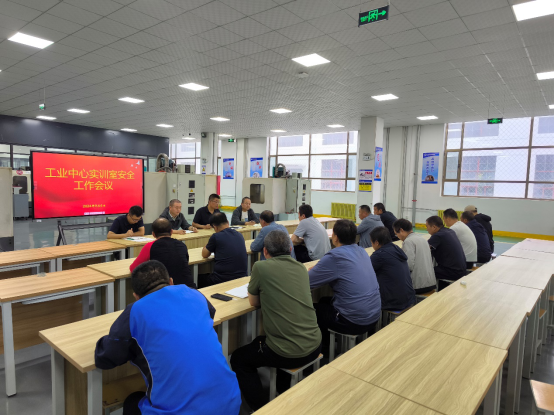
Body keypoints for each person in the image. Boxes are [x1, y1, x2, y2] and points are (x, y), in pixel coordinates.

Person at [95, 261, 241, 416]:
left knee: (132, 401)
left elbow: (105, 357)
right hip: (231, 402)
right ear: (171, 282)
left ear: (136, 296)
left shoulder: (136, 311)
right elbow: (210, 314)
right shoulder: (194, 293)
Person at [231, 231, 322, 412]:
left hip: (287, 353)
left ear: (265, 251)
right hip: (315, 344)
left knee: (239, 358)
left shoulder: (260, 267)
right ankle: (282, 387)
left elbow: (253, 302)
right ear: (290, 249)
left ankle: (260, 408)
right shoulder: (300, 268)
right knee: (273, 338)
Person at [309, 220, 381, 352]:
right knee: (324, 301)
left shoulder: (334, 256)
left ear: (335, 237)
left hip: (353, 321)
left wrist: (316, 270)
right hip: (374, 315)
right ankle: (329, 342)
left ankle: (324, 349)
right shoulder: (362, 251)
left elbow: (307, 281)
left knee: (312, 310)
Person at [130, 218, 195, 288]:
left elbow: (133, 268)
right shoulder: (182, 245)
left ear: (153, 234)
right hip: (189, 288)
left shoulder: (150, 246)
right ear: (171, 232)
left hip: (165, 290)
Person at [369, 227, 415, 311]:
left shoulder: (379, 255)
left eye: (371, 242)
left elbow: (365, 273)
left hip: (394, 302)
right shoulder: (396, 249)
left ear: (376, 242)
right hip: (409, 297)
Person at [199, 213, 248, 288]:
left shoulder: (216, 236)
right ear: (227, 222)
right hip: (242, 277)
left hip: (222, 280)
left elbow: (204, 254)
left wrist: (206, 246)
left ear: (215, 227)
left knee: (198, 279)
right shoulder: (239, 234)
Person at [393, 219, 436, 294]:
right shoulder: (422, 239)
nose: (398, 237)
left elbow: (408, 266)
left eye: (396, 234)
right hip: (431, 282)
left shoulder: (408, 241)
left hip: (418, 285)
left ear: (401, 230)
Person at [426, 216, 467, 289]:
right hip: (462, 270)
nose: (426, 229)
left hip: (453, 272)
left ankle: (429, 292)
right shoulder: (450, 231)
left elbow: (424, 249)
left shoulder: (438, 236)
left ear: (434, 227)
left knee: (426, 271)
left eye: (427, 226)